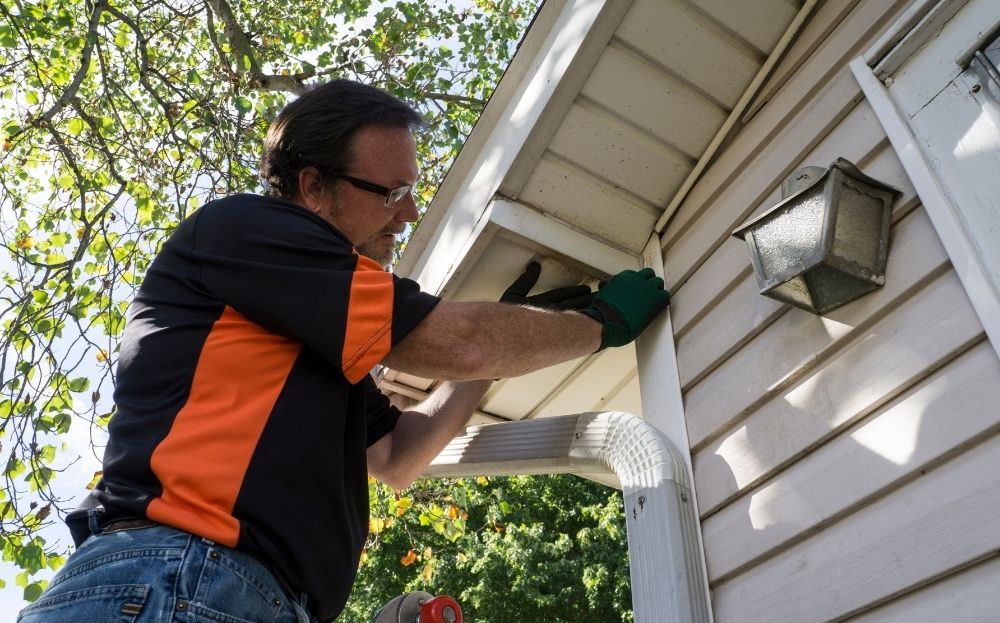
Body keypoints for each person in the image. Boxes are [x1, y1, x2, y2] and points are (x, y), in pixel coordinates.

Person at [17, 79, 668, 623]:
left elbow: (397, 455)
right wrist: (599, 321)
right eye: (389, 192)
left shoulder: (309, 338)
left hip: (213, 588)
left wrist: (503, 352)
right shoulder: (248, 231)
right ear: (311, 187)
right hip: (176, 575)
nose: (409, 211)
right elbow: (458, 341)